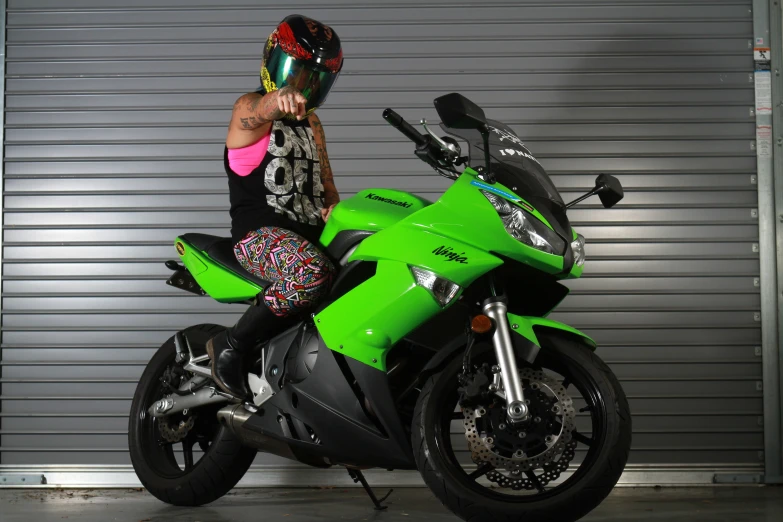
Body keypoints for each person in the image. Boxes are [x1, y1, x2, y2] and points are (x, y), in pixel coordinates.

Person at [206, 15, 343, 399]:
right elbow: (260, 109)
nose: (301, 85)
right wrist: (274, 100)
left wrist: (335, 210)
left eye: (313, 78)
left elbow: (327, 185)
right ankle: (231, 346)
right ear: (272, 61)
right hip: (260, 237)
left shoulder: (313, 124)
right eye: (295, 73)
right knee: (310, 271)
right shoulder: (247, 109)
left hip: (311, 234)